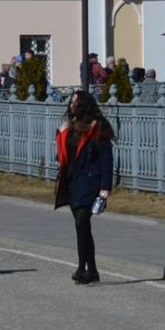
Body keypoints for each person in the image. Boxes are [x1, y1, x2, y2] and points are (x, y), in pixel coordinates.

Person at [53, 89, 114, 285]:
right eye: (71, 103)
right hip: (71, 180)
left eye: (75, 103)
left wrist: (105, 187)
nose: (71, 106)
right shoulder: (68, 128)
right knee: (82, 228)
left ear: (85, 105)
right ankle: (93, 270)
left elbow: (106, 158)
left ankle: (82, 269)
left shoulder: (98, 128)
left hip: (90, 181)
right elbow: (66, 154)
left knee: (81, 222)